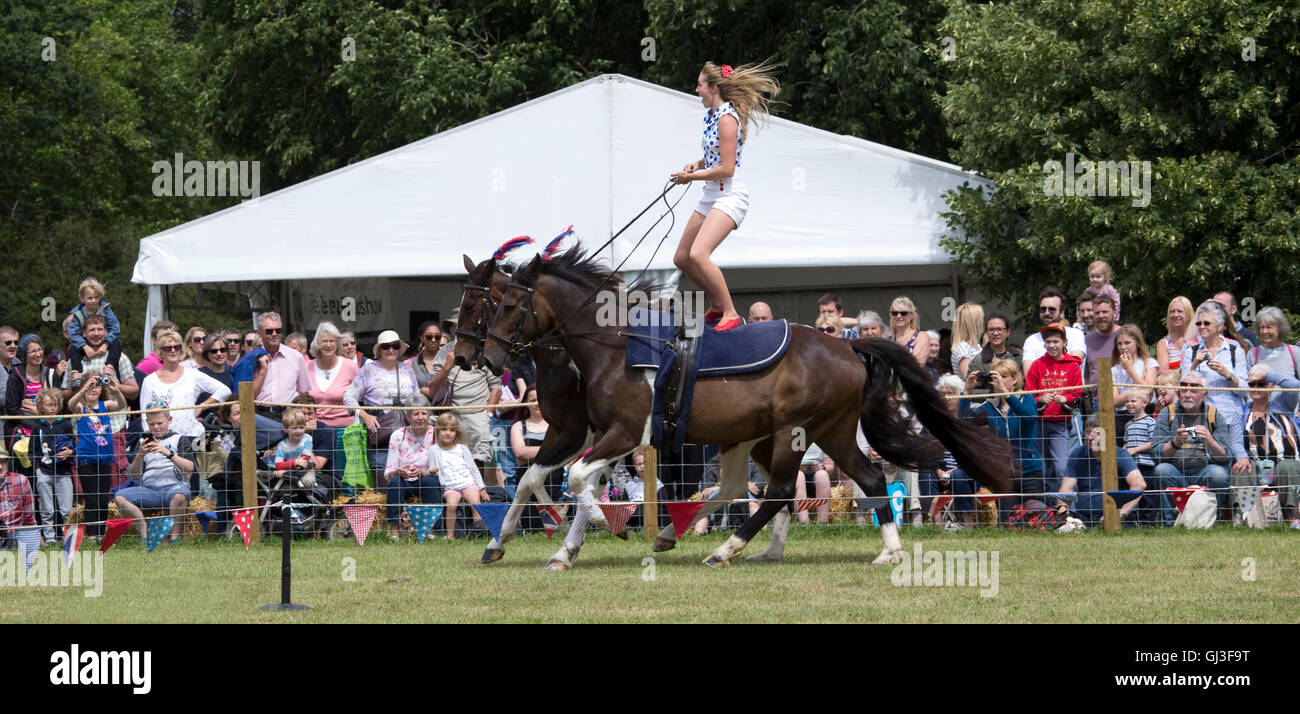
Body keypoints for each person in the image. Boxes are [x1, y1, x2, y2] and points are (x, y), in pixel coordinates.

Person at [669, 60, 780, 333]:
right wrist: (697, 164)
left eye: (700, 85)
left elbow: (728, 168)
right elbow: (715, 157)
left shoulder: (727, 118)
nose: (697, 90)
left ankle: (729, 311)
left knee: (699, 254)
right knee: (682, 258)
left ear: (714, 87)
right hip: (711, 195)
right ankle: (717, 305)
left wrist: (689, 178)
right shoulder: (710, 115)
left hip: (730, 195)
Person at [956, 359, 1044, 518]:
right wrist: (967, 392)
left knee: (1036, 520)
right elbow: (963, 424)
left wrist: (1007, 394)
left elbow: (1029, 417)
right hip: (1004, 474)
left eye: (1004, 376)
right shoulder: (989, 406)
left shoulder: (1026, 398)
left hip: (1030, 471)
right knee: (1007, 522)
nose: (999, 380)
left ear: (1015, 379)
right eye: (996, 377)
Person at [1150, 372, 1232, 524]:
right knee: (1161, 471)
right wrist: (1175, 443)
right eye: (1184, 389)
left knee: (1219, 474)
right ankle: (1167, 523)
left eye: (1194, 390)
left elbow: (1225, 456)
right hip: (1175, 471)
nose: (1187, 394)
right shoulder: (1167, 413)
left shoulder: (1214, 415)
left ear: (1204, 395)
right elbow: (1156, 453)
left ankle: (1209, 521)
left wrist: (1210, 440)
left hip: (1203, 471)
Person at [345, 329, 421, 488]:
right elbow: (349, 397)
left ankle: (403, 512)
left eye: (395, 346)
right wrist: (364, 415)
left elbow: (417, 398)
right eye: (386, 346)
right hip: (380, 431)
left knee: (408, 477)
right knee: (382, 478)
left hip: (406, 431)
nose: (391, 350)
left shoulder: (407, 370)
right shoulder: (368, 370)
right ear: (379, 350)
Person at [425, 336, 500, 482]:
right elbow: (432, 388)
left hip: (478, 415)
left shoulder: (486, 351)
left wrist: (488, 413)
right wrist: (447, 367)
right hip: (450, 416)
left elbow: (496, 387)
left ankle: (477, 497)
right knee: (450, 459)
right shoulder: (445, 351)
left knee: (479, 460)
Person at [115, 406, 193, 543]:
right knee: (120, 497)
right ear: (146, 422)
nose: (156, 427)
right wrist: (140, 454)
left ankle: (175, 537)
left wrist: (168, 453)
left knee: (180, 496)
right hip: (149, 490)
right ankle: (144, 532)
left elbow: (189, 468)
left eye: (159, 423)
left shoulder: (180, 439)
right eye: (151, 424)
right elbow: (134, 475)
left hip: (174, 487)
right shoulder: (141, 443)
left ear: (169, 420)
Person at [138, 330, 231, 441]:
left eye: (177, 347)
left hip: (193, 437)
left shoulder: (193, 374)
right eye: (168, 348)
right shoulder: (149, 381)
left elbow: (224, 390)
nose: (173, 351)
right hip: (163, 439)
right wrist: (150, 438)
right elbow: (145, 415)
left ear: (181, 350)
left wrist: (201, 406)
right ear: (160, 352)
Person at [1237, 366, 1300, 525]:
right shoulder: (1241, 412)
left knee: (1287, 467)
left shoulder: (1283, 404)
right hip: (1256, 465)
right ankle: (1245, 519)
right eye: (1252, 384)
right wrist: (1242, 457)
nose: (1256, 388)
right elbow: (1235, 441)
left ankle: (1293, 518)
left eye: (1261, 383)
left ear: (1271, 386)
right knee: (1241, 468)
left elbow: (1294, 385)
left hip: (1286, 462)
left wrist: (1267, 374)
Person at [1056, 416, 1146, 524]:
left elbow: (1139, 484)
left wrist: (1120, 514)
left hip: (1118, 519)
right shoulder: (1077, 453)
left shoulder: (1121, 455)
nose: (1090, 437)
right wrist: (1062, 506)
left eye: (1096, 433)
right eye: (1087, 432)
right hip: (1084, 517)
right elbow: (1066, 487)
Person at [67, 369, 122, 540]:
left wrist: (116, 389)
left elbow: (120, 404)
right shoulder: (81, 407)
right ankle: (92, 534)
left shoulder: (106, 405)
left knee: (103, 497)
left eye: (97, 385)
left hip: (105, 457)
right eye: (90, 385)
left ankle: (101, 532)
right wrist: (83, 389)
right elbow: (70, 405)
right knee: (91, 497)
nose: (94, 389)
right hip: (87, 458)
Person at [1025, 322, 1083, 481]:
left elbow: (1078, 395)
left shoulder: (1073, 365)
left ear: (1064, 342)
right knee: (1041, 467)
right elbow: (1028, 395)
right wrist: (1040, 398)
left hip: (1060, 422)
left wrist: (1066, 398)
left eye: (1055, 341)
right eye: (1048, 341)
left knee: (1061, 467)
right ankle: (1046, 504)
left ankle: (1067, 504)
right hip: (1039, 422)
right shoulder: (1037, 365)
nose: (1051, 345)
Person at [383, 396, 440, 539]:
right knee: (395, 483)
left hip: (426, 478)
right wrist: (398, 471)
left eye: (424, 413)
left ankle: (431, 529)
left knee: (430, 481)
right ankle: (395, 530)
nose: (420, 418)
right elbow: (388, 471)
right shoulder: (398, 435)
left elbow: (440, 466)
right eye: (416, 414)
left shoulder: (436, 434)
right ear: (408, 416)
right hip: (404, 480)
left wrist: (423, 471)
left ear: (429, 414)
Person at [305, 321, 357, 475]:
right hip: (316, 432)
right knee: (319, 475)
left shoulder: (350, 366)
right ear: (317, 343)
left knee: (345, 476)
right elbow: (301, 399)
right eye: (324, 341)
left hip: (345, 431)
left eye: (332, 341)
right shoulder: (307, 366)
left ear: (337, 343)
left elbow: (360, 397)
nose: (328, 345)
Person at [1180, 300, 1248, 417]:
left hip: (1230, 416)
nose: (1202, 327)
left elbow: (1245, 390)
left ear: (1220, 326)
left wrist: (1227, 374)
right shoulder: (1191, 352)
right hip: (1202, 417)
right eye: (1198, 323)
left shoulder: (1235, 351)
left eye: (1206, 323)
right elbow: (1183, 388)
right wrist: (1194, 365)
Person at [429, 412, 489, 540]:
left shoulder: (462, 449)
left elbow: (473, 468)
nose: (448, 433)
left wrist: (481, 488)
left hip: (468, 483)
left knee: (475, 503)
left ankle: (479, 531)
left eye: (452, 430)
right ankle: (450, 535)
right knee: (451, 505)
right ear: (438, 431)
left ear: (456, 432)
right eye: (444, 429)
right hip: (450, 486)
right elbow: (432, 467)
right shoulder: (434, 450)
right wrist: (433, 470)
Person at [6, 334, 60, 463]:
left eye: (39, 349)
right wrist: (37, 414)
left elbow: (59, 406)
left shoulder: (51, 374)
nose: (37, 354)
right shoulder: (15, 376)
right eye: (33, 351)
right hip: (22, 434)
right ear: (25, 355)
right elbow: (12, 409)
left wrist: (38, 413)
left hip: (48, 431)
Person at [31, 389, 75, 543]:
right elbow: (33, 449)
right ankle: (50, 538)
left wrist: (70, 451)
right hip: (44, 472)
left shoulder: (66, 424)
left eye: (55, 404)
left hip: (63, 472)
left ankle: (69, 537)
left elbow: (74, 444)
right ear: (41, 406)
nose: (52, 408)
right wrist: (37, 468)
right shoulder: (38, 426)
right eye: (49, 404)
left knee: (67, 509)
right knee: (47, 509)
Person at [1021, 287, 1086, 371]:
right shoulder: (1031, 341)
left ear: (1062, 313)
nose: (1046, 313)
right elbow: (1029, 374)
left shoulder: (1076, 335)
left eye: (1052, 309)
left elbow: (1073, 366)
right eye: (1043, 309)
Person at [1120, 389, 1158, 521]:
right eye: (1127, 401)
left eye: (1133, 401)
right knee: (1131, 493)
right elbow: (1126, 443)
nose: (1129, 404)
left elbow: (1153, 443)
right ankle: (1131, 521)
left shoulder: (1150, 422)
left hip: (1146, 464)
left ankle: (1148, 522)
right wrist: (1123, 454)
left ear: (1144, 403)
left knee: (1147, 495)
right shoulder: (1128, 424)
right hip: (1131, 466)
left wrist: (1135, 449)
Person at [66, 277, 123, 363]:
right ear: (82, 298)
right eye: (90, 298)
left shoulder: (105, 309)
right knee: (73, 348)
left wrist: (105, 344)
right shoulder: (78, 314)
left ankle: (110, 366)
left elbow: (115, 327)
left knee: (117, 343)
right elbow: (73, 333)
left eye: (96, 298)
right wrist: (84, 346)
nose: (93, 301)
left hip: (104, 341)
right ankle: (77, 372)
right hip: (86, 343)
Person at [1244, 307, 1300, 379]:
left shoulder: (1295, 352)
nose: (1264, 331)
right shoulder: (1253, 353)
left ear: (1280, 328)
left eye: (1268, 327)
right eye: (1262, 327)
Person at [1083, 290, 1120, 392]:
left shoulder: (1126, 335)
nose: (1100, 316)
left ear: (1115, 313)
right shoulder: (1086, 340)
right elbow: (1086, 372)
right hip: (1096, 401)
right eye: (1097, 313)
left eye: (1105, 312)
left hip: (1125, 402)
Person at [0, 444, 36, 549]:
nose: (0, 467)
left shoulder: (20, 481)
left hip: (15, 536)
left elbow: (29, 515)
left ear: (7, 463)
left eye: (3, 462)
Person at [1111, 324, 1159, 402]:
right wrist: (1137, 393)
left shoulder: (1149, 363)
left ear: (1137, 343)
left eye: (1127, 343)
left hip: (1146, 410)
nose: (1123, 347)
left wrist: (1129, 369)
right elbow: (1115, 400)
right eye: (1120, 344)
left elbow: (1148, 390)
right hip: (1123, 412)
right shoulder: (1114, 370)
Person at [1156, 296, 1197, 372]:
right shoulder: (1164, 344)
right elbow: (1163, 373)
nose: (1175, 315)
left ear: (1188, 314)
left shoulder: (1199, 340)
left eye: (1180, 311)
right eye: (1172, 311)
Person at [888, 296, 931, 365]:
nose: (899, 316)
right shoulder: (888, 340)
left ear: (912, 315)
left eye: (903, 313)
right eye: (895, 313)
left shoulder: (921, 336)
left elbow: (917, 364)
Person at [949, 302, 984, 379]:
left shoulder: (977, 346)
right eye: (980, 319)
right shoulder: (963, 348)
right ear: (975, 323)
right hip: (975, 390)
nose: (982, 322)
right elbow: (969, 379)